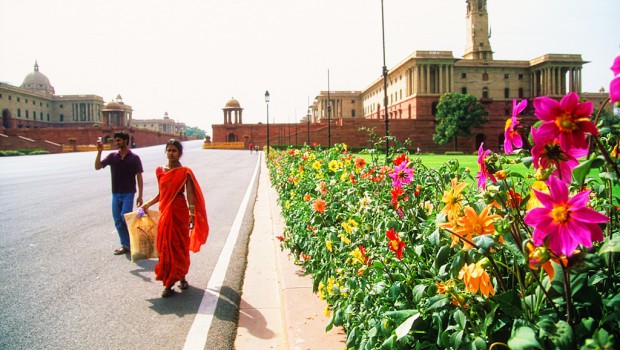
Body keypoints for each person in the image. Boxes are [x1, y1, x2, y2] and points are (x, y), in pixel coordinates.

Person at [141, 139, 209, 298]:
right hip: (165, 211)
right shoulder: (160, 171)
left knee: (179, 245)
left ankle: (180, 277)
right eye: (169, 150)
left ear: (180, 153)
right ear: (166, 152)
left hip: (179, 211)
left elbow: (190, 194)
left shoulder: (185, 171)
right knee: (165, 246)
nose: (171, 153)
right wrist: (147, 204)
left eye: (174, 151)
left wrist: (192, 213)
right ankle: (169, 281)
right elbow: (160, 194)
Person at [95, 131, 144, 255]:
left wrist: (140, 195)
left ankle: (133, 241)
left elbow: (139, 176)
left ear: (125, 141)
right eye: (115, 140)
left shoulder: (134, 158)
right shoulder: (112, 156)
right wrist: (99, 151)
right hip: (116, 193)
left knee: (124, 217)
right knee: (117, 220)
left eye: (119, 140)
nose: (117, 143)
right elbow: (97, 167)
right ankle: (126, 245)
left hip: (129, 193)